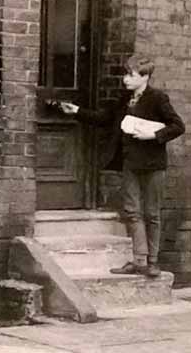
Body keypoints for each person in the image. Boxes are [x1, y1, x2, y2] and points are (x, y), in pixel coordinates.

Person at [59, 55, 184, 278]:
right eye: (125, 74)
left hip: (153, 165)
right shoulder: (125, 99)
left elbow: (178, 126)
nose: (125, 79)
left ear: (144, 77)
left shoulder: (158, 98)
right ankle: (139, 261)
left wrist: (153, 134)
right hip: (130, 164)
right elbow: (105, 118)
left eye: (131, 75)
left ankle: (153, 262)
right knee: (133, 212)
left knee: (152, 213)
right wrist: (77, 111)